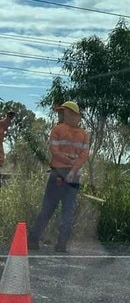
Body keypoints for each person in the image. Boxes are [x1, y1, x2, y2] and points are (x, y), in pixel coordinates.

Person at [28, 101, 90, 252]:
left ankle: (33, 240)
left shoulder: (57, 129)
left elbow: (54, 151)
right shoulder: (84, 134)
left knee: (47, 208)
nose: (60, 114)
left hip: (57, 173)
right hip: (73, 177)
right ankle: (61, 244)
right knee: (68, 211)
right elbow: (84, 156)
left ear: (68, 114)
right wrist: (73, 169)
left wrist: (67, 166)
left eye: (62, 112)